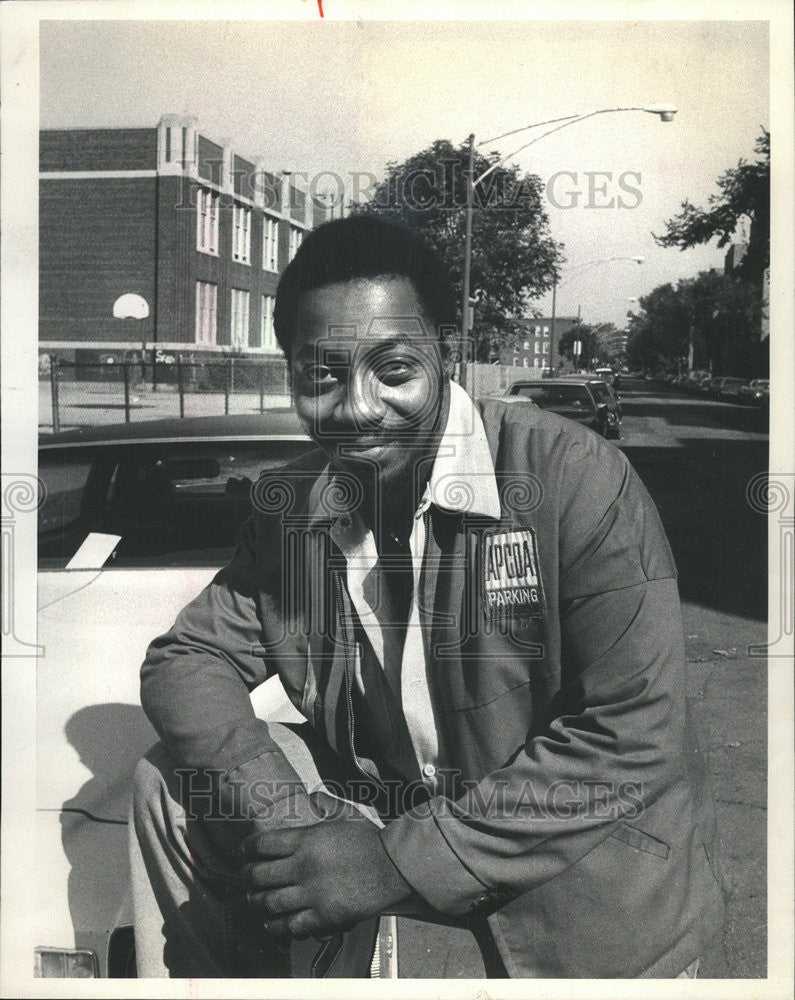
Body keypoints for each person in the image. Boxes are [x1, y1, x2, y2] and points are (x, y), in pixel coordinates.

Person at [130, 215, 724, 979]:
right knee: (173, 782)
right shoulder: (293, 505)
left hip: (584, 880)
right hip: (390, 827)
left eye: (393, 371)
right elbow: (189, 656)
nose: (359, 408)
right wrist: (296, 821)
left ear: (443, 356)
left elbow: (633, 732)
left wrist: (389, 863)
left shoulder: (570, 475)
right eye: (320, 377)